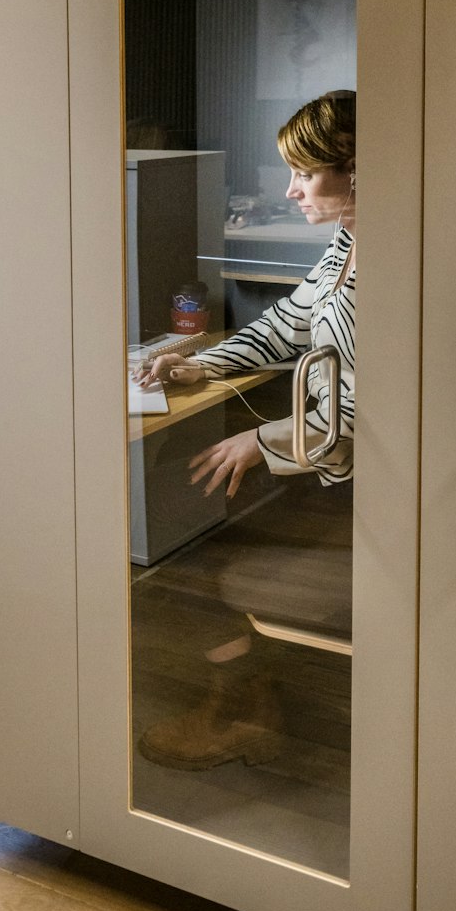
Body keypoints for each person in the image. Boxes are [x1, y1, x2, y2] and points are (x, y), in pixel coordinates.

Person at [133, 88, 356, 771]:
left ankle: (244, 707)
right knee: (175, 505)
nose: (290, 191)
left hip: (356, 490)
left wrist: (255, 443)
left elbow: (355, 424)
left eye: (304, 172)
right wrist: (197, 364)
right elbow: (284, 325)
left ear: (358, 168)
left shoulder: (391, 270)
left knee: (176, 557)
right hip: (323, 470)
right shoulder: (348, 248)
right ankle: (250, 690)